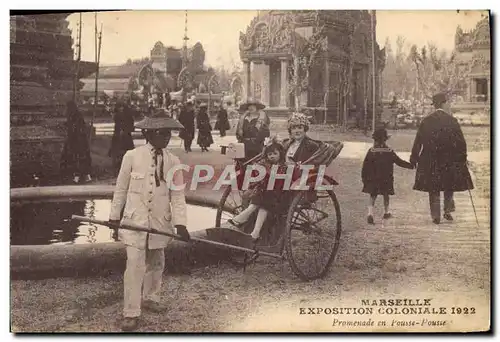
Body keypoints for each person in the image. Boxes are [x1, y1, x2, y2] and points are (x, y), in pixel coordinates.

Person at [108, 109, 190, 331]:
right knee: (134, 264)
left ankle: (151, 297)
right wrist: (114, 217)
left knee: (156, 261)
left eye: (169, 133)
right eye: (162, 133)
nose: (166, 137)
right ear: (149, 133)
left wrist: (181, 223)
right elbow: (121, 189)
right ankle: (131, 311)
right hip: (135, 221)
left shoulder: (174, 161)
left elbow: (177, 194)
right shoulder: (132, 157)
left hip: (160, 222)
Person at [409, 92, 474, 224]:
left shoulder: (426, 121)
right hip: (449, 159)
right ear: (444, 104)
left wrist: (414, 158)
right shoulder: (452, 121)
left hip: (430, 159)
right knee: (449, 184)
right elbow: (461, 142)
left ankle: (435, 215)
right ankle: (447, 210)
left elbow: (418, 141)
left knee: (433, 187)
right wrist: (463, 157)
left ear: (435, 105)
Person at [226, 139, 287, 242]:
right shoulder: (266, 164)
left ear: (280, 154)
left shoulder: (284, 166)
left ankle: (242, 218)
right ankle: (255, 232)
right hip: (266, 193)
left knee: (264, 198)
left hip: (280, 194)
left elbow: (281, 181)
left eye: (275, 154)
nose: (272, 156)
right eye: (269, 154)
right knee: (261, 198)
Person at [361, 127, 414, 224]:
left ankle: (370, 213)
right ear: (385, 139)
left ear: (375, 139)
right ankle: (386, 212)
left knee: (373, 195)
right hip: (386, 178)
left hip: (373, 178)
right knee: (386, 195)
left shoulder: (371, 151)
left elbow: (365, 166)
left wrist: (364, 178)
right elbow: (399, 162)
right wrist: (411, 166)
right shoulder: (389, 151)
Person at [60, 100, 92, 184]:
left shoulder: (74, 115)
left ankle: (77, 177)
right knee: (82, 158)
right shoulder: (75, 115)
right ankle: (86, 176)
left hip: (77, 140)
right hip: (80, 140)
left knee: (77, 158)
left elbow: (75, 128)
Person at [108, 101, 135, 174]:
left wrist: (125, 130)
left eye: (122, 107)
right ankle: (118, 166)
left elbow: (131, 125)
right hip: (118, 134)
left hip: (125, 135)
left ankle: (124, 166)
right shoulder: (117, 115)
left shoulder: (127, 115)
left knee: (125, 151)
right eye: (119, 107)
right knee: (118, 151)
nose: (120, 108)